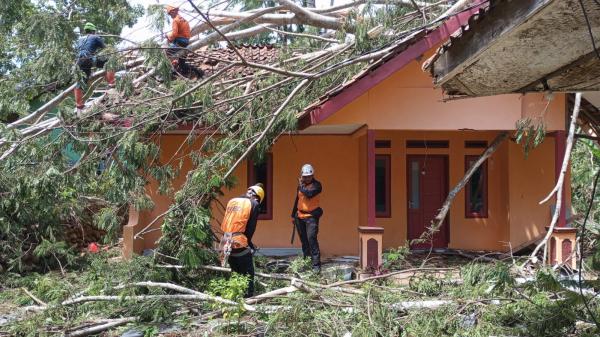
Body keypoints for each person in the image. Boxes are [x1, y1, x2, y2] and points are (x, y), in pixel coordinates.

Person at [220, 184, 264, 297]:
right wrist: (249, 243)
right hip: (239, 241)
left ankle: (235, 295)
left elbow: (232, 221)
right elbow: (250, 227)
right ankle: (248, 297)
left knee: (235, 270)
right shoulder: (254, 203)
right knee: (248, 272)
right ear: (257, 197)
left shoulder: (232, 201)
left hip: (225, 240)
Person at [73, 22, 115, 110]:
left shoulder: (80, 39)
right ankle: (111, 84)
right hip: (89, 59)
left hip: (79, 61)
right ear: (93, 31)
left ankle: (79, 105)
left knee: (79, 82)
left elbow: (83, 49)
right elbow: (107, 49)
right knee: (110, 62)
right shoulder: (95, 37)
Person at [291, 164, 323, 272]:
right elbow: (297, 200)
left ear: (312, 175)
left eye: (309, 176)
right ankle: (307, 263)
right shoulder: (301, 186)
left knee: (311, 239)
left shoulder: (317, 185)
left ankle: (316, 267)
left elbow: (309, 194)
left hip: (311, 217)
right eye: (305, 176)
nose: (307, 178)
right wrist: (292, 215)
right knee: (304, 241)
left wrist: (300, 185)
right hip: (299, 216)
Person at [165, 5, 202, 79]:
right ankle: (197, 72)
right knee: (182, 64)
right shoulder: (184, 20)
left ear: (174, 11)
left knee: (166, 54)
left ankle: (171, 73)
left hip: (179, 43)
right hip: (186, 43)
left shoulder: (175, 20)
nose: (170, 15)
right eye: (169, 14)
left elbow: (174, 34)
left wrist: (168, 37)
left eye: (170, 13)